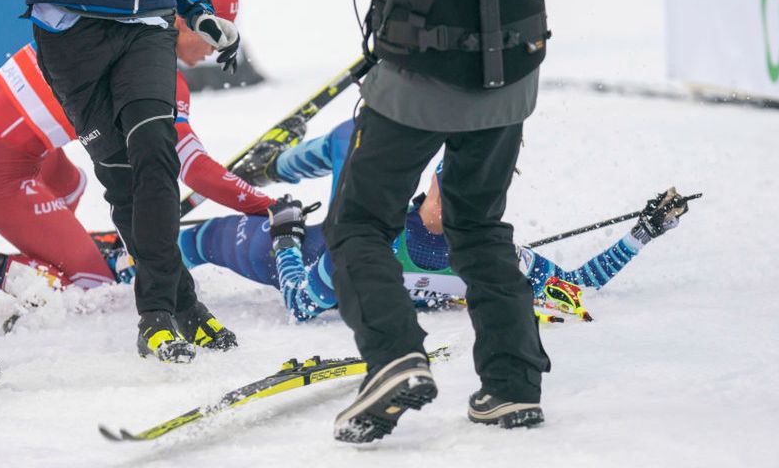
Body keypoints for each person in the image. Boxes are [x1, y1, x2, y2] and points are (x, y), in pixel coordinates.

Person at [301, 0, 556, 440]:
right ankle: (512, 385)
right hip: (508, 78)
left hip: (418, 81)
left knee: (358, 225)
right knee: (479, 224)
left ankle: (394, 357)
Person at [183, 119, 693, 323]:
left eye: (477, 194)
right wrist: (287, 236)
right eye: (449, 188)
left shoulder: (499, 258)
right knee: (199, 241)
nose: (457, 203)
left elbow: (575, 290)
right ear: (432, 179)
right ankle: (279, 162)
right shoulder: (373, 239)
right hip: (296, 248)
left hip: (303, 249)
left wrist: (643, 233)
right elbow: (298, 303)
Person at [0, 0, 275, 303]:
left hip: (0, 144)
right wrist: (268, 207)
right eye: (217, 32)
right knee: (93, 286)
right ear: (187, 19)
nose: (216, 49)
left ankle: (53, 254)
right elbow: (193, 168)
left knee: (72, 185)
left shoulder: (123, 19)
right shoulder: (153, 73)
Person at [26, 0, 243, 363]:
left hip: (148, 21)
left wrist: (196, 4)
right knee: (122, 181)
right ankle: (184, 303)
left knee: (155, 153)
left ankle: (157, 314)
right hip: (72, 30)